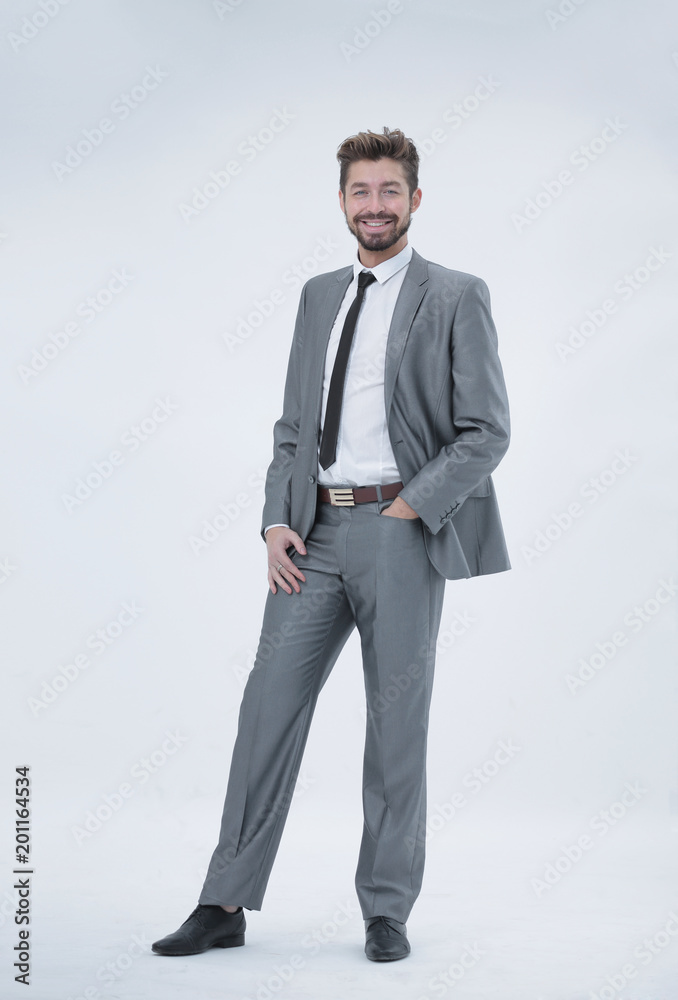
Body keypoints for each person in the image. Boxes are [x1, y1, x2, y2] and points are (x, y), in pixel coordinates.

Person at [152, 126, 511, 963]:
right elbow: (292, 427)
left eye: (390, 191)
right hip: (312, 536)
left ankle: (386, 910)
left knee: (395, 730)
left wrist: (410, 511)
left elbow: (486, 430)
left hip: (402, 530)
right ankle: (225, 901)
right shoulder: (319, 296)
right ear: (342, 201)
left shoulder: (457, 295)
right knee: (264, 710)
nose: (375, 206)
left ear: (415, 200)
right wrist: (277, 521)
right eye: (361, 191)